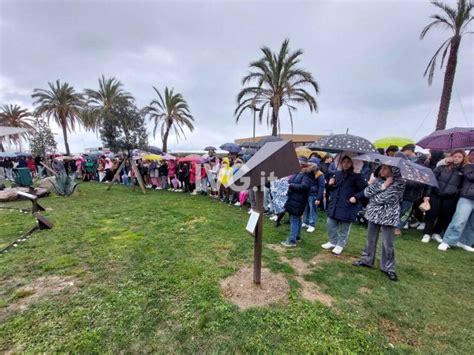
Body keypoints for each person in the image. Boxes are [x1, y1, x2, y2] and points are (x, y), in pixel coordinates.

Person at [353, 165, 406, 281]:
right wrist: (384, 185)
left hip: (389, 216)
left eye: (385, 169)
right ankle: (366, 260)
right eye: (382, 168)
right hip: (373, 214)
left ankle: (388, 268)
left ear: (393, 171)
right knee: (370, 239)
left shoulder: (400, 183)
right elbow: (366, 193)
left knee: (388, 243)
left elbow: (383, 199)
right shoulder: (379, 181)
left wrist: (375, 194)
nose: (382, 171)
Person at [322, 155, 367, 255]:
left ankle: (340, 244)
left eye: (348, 162)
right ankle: (333, 242)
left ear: (353, 163)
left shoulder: (357, 176)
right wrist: (330, 184)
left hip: (348, 205)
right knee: (330, 224)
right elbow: (332, 189)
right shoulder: (337, 174)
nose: (345, 164)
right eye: (343, 162)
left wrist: (356, 197)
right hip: (335, 204)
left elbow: (365, 190)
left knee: (344, 228)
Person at [421, 150, 465, 243]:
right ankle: (427, 233)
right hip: (435, 194)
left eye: (459, 157)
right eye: (455, 156)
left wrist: (455, 192)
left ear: (463, 158)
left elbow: (462, 186)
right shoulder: (441, 167)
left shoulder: (463, 171)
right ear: (451, 157)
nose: (456, 158)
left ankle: (436, 233)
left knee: (444, 216)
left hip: (450, 197)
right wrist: (427, 194)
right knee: (431, 214)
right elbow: (431, 181)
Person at [438, 149, 474, 252]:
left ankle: (465, 242)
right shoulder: (467, 166)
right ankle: (447, 241)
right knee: (459, 220)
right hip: (466, 197)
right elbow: (470, 177)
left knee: (472, 224)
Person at [281, 157, 314, 247]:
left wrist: (290, 185)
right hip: (293, 199)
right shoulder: (298, 172)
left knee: (294, 219)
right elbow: (291, 181)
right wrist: (286, 182)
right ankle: (297, 236)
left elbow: (304, 187)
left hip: (299, 200)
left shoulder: (307, 174)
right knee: (297, 218)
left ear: (302, 164)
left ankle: (292, 240)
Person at [302, 159, 325, 233]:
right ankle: (305, 222)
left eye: (312, 162)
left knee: (312, 210)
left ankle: (312, 225)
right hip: (306, 193)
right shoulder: (307, 172)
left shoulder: (320, 174)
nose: (310, 163)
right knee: (305, 209)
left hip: (314, 194)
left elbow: (321, 187)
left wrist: (318, 198)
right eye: (309, 162)